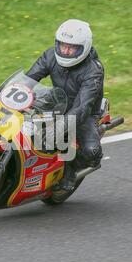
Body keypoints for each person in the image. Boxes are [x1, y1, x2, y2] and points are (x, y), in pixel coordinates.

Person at [26, 19, 104, 192]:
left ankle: (69, 169)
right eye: (63, 46)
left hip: (85, 113)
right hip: (57, 100)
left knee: (93, 153)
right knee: (28, 128)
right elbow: (29, 79)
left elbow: (83, 107)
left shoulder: (93, 70)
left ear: (84, 47)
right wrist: (0, 97)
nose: (66, 51)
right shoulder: (50, 55)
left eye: (72, 48)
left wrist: (60, 126)